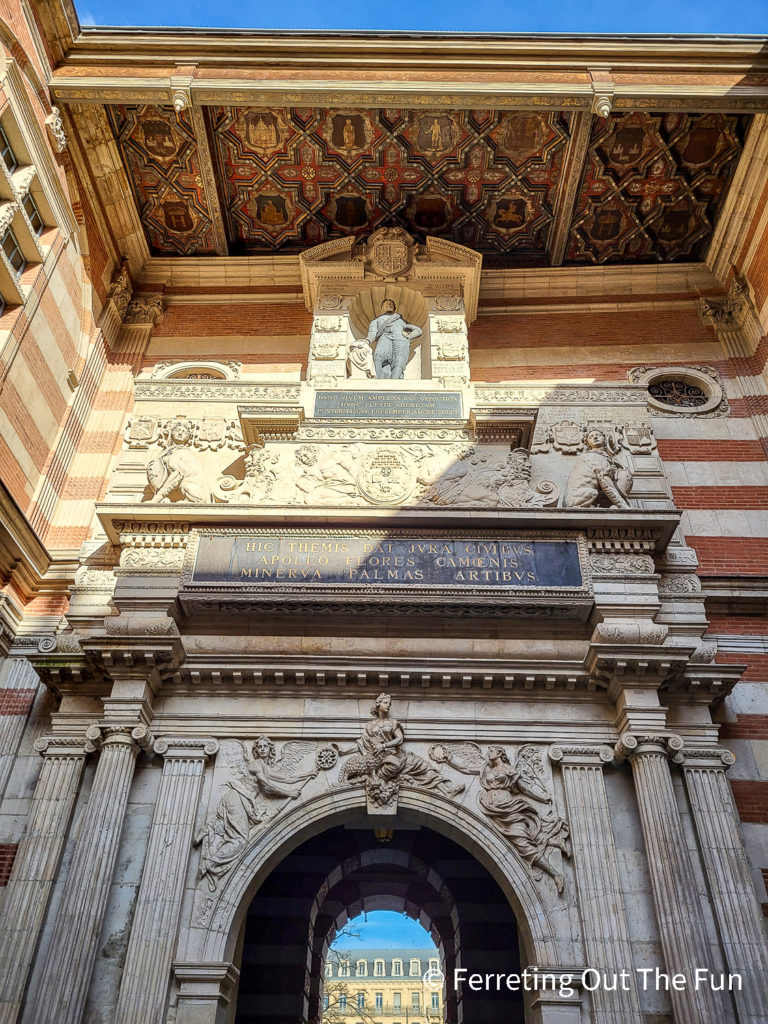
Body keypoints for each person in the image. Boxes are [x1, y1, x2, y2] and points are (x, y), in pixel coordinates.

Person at [366, 299, 423, 380]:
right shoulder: (376, 321)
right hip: (384, 337)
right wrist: (367, 341)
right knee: (378, 356)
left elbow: (419, 330)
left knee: (399, 362)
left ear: (395, 308)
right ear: (382, 308)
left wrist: (408, 337)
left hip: (400, 340)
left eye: (391, 304)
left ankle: (394, 383)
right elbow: (372, 334)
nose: (389, 305)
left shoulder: (400, 320)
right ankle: (377, 380)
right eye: (386, 304)